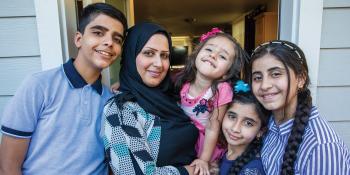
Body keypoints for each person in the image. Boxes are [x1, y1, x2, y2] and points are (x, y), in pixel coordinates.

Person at [0, 3, 127, 174]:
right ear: (78, 39)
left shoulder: (111, 101)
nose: (109, 42)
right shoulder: (39, 85)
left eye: (117, 39)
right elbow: (8, 166)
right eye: (98, 33)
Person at [103, 22, 198, 175]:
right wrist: (189, 171)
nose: (159, 64)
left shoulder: (173, 96)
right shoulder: (121, 110)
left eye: (165, 56)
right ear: (130, 55)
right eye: (148, 53)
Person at [249, 40, 350, 174]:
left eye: (276, 74)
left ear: (301, 79)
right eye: (257, 77)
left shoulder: (321, 147)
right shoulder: (268, 123)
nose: (264, 85)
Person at [175, 28, 249, 174]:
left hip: (207, 144)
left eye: (222, 57)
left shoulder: (221, 89)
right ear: (196, 54)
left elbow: (212, 126)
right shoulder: (183, 82)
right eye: (209, 49)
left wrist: (204, 159)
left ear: (226, 72)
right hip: (185, 139)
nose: (213, 55)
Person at [218, 80, 269, 175]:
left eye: (248, 123)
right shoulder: (219, 153)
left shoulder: (253, 169)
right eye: (232, 117)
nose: (235, 129)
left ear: (261, 131)